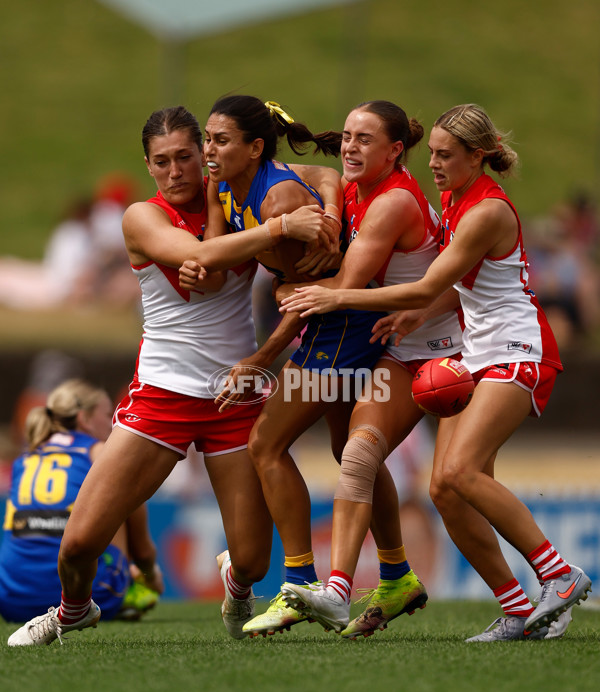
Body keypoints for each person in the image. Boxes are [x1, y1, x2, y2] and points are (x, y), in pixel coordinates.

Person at [6, 105, 335, 647]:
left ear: (204, 157)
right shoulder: (141, 217)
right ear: (148, 165)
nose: (175, 170)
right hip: (162, 395)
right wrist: (279, 228)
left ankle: (236, 581)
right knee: (78, 545)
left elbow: (323, 178)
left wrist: (323, 218)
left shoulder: (236, 200)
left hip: (234, 396)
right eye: (162, 161)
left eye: (187, 156)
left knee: (252, 563)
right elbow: (203, 258)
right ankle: (73, 610)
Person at [281, 103, 592, 641]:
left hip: (518, 349)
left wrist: (335, 299)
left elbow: (429, 283)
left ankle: (559, 573)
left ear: (479, 156)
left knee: (457, 473)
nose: (436, 165)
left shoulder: (486, 212)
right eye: (434, 155)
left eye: (448, 156)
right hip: (478, 352)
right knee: (446, 490)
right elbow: (454, 286)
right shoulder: (453, 199)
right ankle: (517, 608)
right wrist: (419, 315)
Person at [182, 98, 457, 639]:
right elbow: (321, 179)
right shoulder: (235, 186)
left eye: (219, 141)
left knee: (266, 443)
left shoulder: (280, 197)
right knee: (343, 450)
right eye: (207, 140)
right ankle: (397, 572)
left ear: (254, 148)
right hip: (347, 322)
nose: (206, 152)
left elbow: (321, 298)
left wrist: (262, 358)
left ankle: (299, 582)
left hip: (347, 327)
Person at [0, 379, 163, 625]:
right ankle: (127, 584)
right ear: (84, 419)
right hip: (91, 596)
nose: (114, 420)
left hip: (11, 599)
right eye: (108, 413)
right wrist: (151, 574)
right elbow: (141, 549)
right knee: (120, 497)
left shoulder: (26, 457)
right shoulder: (99, 452)